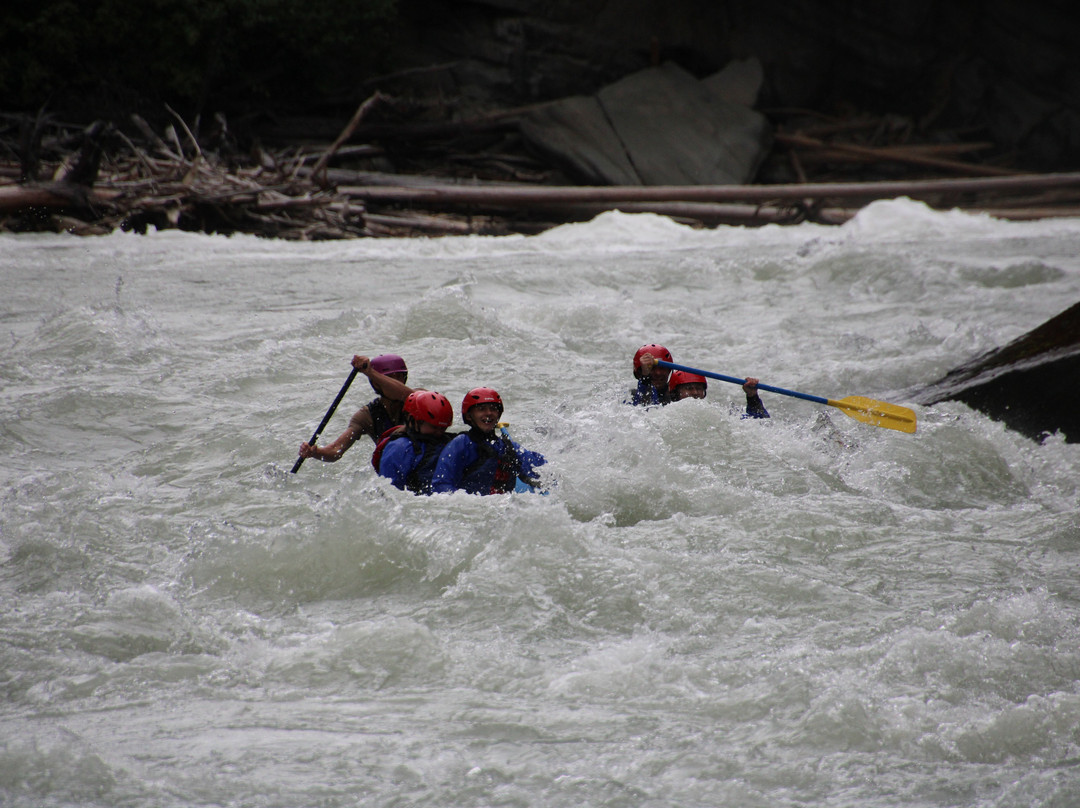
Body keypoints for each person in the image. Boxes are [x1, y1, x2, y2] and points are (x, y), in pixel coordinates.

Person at [298, 353, 413, 463]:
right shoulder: (366, 416)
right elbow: (336, 450)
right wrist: (314, 452)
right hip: (396, 466)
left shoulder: (421, 396)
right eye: (389, 378)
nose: (396, 382)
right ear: (376, 383)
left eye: (399, 377)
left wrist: (370, 372)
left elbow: (407, 395)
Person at [432, 387, 546, 495]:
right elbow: (441, 485)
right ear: (469, 416)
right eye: (481, 409)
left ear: (499, 414)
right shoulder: (460, 444)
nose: (488, 413)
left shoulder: (508, 448)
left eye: (493, 409)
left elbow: (541, 469)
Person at [375, 390, 454, 494]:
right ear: (413, 420)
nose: (439, 432)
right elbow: (389, 491)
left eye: (443, 428)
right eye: (434, 427)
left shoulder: (447, 442)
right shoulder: (399, 448)